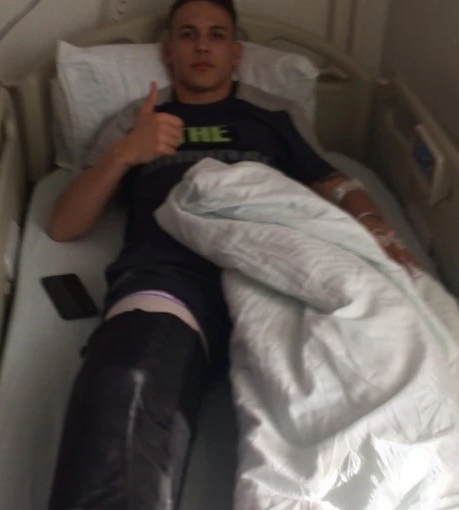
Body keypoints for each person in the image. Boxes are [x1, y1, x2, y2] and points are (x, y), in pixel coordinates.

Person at [47, 0, 417, 508]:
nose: (202, 45)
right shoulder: (138, 120)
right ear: (168, 50)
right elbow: (65, 225)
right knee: (123, 384)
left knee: (359, 402)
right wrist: (125, 153)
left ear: (236, 52)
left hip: (275, 272)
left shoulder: (273, 116)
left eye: (217, 35)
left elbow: (333, 182)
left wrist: (378, 231)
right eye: (188, 34)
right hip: (171, 277)